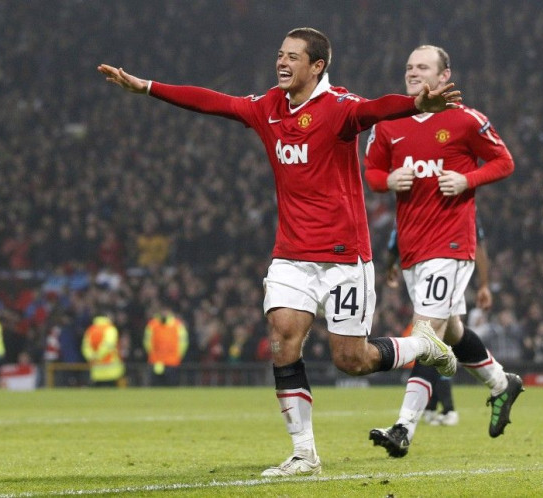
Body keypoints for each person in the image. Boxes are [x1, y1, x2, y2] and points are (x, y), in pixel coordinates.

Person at [98, 27, 462, 476]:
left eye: (293, 56)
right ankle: (304, 452)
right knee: (283, 338)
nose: (282, 62)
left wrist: (415, 105)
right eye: (280, 54)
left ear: (317, 66)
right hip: (291, 254)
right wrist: (147, 87)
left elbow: (376, 109)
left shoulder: (340, 108)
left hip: (345, 257)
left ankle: (422, 344)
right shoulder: (268, 107)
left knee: (352, 360)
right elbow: (214, 101)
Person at [364, 45, 523, 458]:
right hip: (415, 246)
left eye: (422, 67)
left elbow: (504, 162)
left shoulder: (466, 119)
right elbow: (371, 173)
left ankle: (403, 427)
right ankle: (502, 383)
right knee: (449, 329)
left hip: (451, 243)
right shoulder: (388, 124)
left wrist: (468, 180)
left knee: (426, 332)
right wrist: (388, 179)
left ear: (444, 74)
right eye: (409, 67)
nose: (413, 72)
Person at [382, 215, 494, 429]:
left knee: (434, 345)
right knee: (436, 346)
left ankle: (441, 411)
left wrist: (389, 266)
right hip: (434, 272)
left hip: (442, 268)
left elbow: (394, 239)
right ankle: (434, 409)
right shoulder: (434, 204)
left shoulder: (424, 204)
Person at [143, 309, 189, 386]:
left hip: (172, 361)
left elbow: (183, 343)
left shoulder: (177, 325)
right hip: (156, 360)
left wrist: (178, 356)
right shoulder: (152, 324)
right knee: (156, 386)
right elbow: (147, 342)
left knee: (171, 386)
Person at [81, 313, 125, 387]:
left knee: (97, 396)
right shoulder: (110, 329)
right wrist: (98, 355)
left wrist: (92, 356)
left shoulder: (90, 330)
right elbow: (108, 345)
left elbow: (86, 346)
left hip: (96, 370)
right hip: (111, 370)